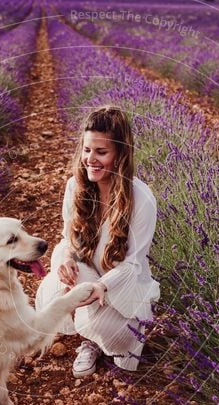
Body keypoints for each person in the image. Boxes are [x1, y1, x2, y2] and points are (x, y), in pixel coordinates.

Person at [35, 105, 160, 377]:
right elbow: (68, 238)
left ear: (120, 155)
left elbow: (133, 266)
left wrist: (101, 285)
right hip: (87, 276)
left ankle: (106, 331)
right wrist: (67, 259)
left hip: (122, 286)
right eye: (87, 150)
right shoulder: (75, 186)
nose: (91, 159)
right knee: (53, 293)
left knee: (115, 336)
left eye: (101, 152)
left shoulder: (141, 198)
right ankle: (89, 339)